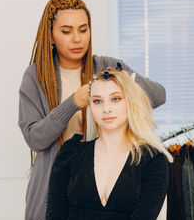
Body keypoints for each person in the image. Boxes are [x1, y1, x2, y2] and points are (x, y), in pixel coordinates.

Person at [18, 0, 166, 220]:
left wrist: (124, 79)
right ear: (51, 35)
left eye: (83, 29)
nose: (77, 39)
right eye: (66, 31)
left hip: (102, 182)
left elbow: (158, 96)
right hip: (53, 188)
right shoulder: (35, 77)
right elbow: (35, 138)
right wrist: (73, 103)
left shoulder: (105, 67)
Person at [46, 66, 173, 219]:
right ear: (90, 106)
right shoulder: (71, 153)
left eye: (115, 99)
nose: (106, 109)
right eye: (97, 101)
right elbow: (55, 215)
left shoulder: (152, 159)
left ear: (130, 102)